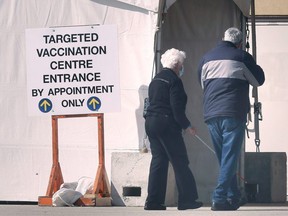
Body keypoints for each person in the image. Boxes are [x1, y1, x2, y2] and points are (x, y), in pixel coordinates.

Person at [197, 27, 265, 211]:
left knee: (225, 158)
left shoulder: (206, 58)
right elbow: (258, 81)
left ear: (223, 38)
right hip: (233, 113)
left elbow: (202, 83)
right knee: (230, 157)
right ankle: (218, 197)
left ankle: (233, 196)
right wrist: (254, 63)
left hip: (211, 114)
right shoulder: (241, 56)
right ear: (240, 43)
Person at [144, 48, 202, 211]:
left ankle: (153, 201)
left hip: (151, 123)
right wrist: (187, 126)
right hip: (166, 123)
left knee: (159, 161)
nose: (182, 68)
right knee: (180, 161)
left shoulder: (155, 79)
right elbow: (177, 109)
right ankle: (187, 200)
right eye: (182, 64)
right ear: (177, 64)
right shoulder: (174, 81)